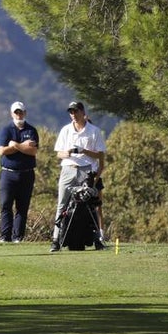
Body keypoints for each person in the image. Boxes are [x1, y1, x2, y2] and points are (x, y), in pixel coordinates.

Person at [50, 101, 106, 252]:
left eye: (76, 112)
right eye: (71, 112)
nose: (73, 115)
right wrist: (66, 153)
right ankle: (56, 240)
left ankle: (97, 239)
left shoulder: (94, 131)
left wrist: (84, 151)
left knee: (89, 204)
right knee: (62, 203)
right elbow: (58, 153)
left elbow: (99, 154)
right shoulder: (66, 130)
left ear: (82, 112)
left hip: (85, 170)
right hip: (68, 169)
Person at [0, 101, 39, 243]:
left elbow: (33, 151)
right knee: (6, 205)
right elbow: (3, 151)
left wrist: (15, 145)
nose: (19, 115)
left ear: (25, 113)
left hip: (26, 173)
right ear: (12, 114)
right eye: (16, 112)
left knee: (22, 207)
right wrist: (23, 146)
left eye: (21, 112)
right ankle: (5, 237)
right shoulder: (6, 129)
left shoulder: (31, 130)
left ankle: (18, 238)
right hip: (8, 174)